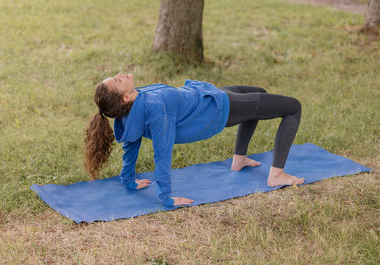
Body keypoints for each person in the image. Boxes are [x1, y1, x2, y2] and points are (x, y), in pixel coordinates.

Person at [84, 73, 304, 207]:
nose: (121, 74)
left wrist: (129, 180)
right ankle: (276, 175)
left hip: (207, 95)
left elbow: (131, 142)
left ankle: (240, 159)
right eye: (118, 79)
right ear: (124, 97)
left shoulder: (134, 105)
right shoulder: (154, 109)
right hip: (217, 109)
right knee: (293, 107)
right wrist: (166, 197)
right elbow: (162, 152)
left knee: (260, 92)